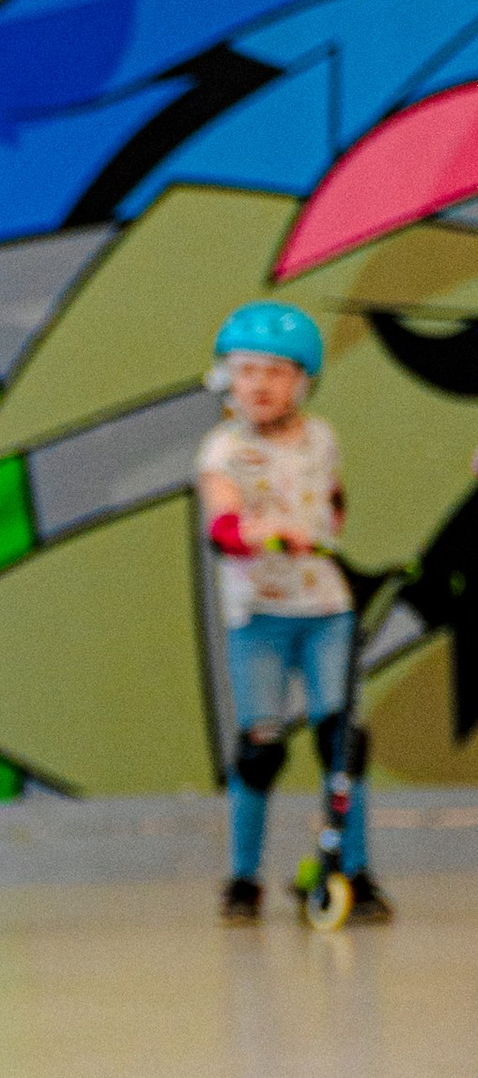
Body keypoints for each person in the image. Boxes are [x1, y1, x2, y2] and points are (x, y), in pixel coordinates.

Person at [199, 301, 385, 923]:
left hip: (326, 608)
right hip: (259, 615)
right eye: (247, 370)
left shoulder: (322, 437)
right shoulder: (223, 449)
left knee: (343, 743)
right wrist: (264, 531)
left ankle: (352, 870)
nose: (260, 385)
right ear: (227, 376)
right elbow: (222, 527)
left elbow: (333, 501)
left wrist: (321, 533)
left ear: (301, 381)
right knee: (261, 748)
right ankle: (242, 880)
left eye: (276, 372)